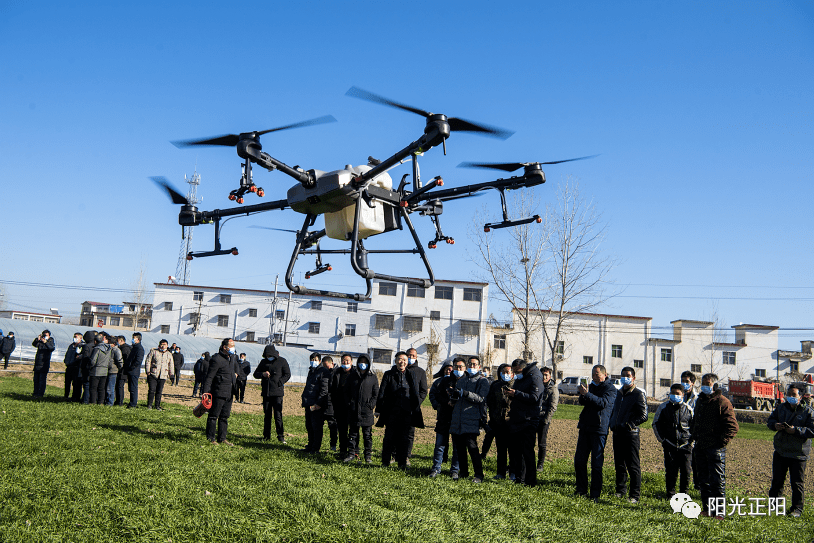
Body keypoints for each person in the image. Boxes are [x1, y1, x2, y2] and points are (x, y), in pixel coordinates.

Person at [691, 373, 739, 518]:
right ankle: (707, 509)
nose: (705, 386)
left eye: (708, 384)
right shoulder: (700, 401)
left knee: (717, 481)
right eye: (703, 383)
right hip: (700, 446)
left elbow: (732, 427)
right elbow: (696, 420)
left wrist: (720, 443)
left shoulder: (722, 402)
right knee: (703, 480)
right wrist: (694, 435)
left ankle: (719, 512)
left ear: (715, 386)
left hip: (715, 448)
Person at [767, 383, 814, 517]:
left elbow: (812, 430)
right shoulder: (781, 408)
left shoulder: (808, 411)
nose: (791, 397)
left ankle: (796, 509)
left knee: (797, 483)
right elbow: (770, 421)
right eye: (789, 395)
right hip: (781, 450)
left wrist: (796, 430)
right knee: (777, 481)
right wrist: (775, 425)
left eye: (794, 395)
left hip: (798, 453)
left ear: (801, 396)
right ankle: (774, 506)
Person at [574, 364, 618, 501]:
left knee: (596, 464)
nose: (594, 376)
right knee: (579, 461)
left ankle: (595, 494)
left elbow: (602, 403)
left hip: (599, 429)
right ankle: (581, 490)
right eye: (593, 374)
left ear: (605, 375)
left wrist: (587, 394)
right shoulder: (591, 387)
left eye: (597, 374)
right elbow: (583, 401)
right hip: (585, 427)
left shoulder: (610, 389)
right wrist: (583, 394)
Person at [376, 351, 424, 471]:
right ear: (395, 360)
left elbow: (415, 393)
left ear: (407, 362)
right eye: (399, 359)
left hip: (407, 412)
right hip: (391, 411)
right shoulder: (388, 374)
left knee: (404, 438)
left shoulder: (411, 374)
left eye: (404, 359)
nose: (402, 361)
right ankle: (385, 461)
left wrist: (415, 407)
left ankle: (402, 462)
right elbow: (382, 392)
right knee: (389, 437)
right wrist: (378, 409)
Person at [609, 366, 648, 503]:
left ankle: (634, 495)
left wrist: (629, 424)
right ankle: (620, 490)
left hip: (630, 435)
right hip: (617, 433)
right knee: (619, 464)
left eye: (628, 375)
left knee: (633, 465)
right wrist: (612, 423)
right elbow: (615, 411)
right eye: (623, 375)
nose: (625, 378)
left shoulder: (638, 394)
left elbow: (644, 415)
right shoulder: (619, 393)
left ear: (633, 377)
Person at [449, 355, 489, 483]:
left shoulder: (482, 381)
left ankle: (479, 475)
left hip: (471, 418)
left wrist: (465, 393)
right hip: (458, 419)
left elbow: (481, 398)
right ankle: (464, 473)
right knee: (459, 448)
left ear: (479, 366)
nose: (472, 366)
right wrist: (453, 396)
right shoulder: (461, 380)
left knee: (472, 448)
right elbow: (457, 398)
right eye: (470, 364)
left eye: (474, 364)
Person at [653, 383, 694, 499]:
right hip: (669, 444)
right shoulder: (663, 407)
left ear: (683, 395)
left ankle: (683, 495)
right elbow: (656, 423)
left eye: (677, 394)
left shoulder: (688, 409)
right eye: (672, 393)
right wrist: (662, 440)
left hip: (686, 446)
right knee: (671, 471)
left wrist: (691, 442)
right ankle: (670, 494)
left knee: (686, 472)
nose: (674, 396)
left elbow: (694, 427)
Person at [507, 358, 544, 487]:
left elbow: (535, 397)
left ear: (522, 367)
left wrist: (516, 393)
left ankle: (530, 480)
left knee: (527, 452)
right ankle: (519, 478)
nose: (516, 373)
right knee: (516, 451)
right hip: (517, 418)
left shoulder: (535, 377)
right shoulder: (522, 378)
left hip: (529, 420)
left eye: (517, 371)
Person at [202, 338, 239, 445]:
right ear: (224, 347)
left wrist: (236, 375)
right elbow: (209, 377)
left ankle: (222, 438)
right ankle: (211, 438)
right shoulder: (216, 359)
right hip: (218, 392)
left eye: (233, 345)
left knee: (224, 417)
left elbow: (236, 370)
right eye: (231, 345)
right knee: (213, 416)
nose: (233, 348)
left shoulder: (232, 358)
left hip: (229, 392)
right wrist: (205, 393)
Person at [344, 354, 379, 464]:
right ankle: (352, 453)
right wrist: (349, 403)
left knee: (367, 435)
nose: (362, 364)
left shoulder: (372, 377)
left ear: (368, 364)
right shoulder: (352, 376)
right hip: (354, 411)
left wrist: (371, 405)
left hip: (366, 412)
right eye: (361, 361)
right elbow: (346, 392)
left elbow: (376, 394)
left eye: (365, 362)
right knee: (353, 434)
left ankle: (367, 456)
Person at [428, 360, 460, 478]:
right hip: (443, 416)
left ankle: (455, 470)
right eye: (447, 368)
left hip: (457, 418)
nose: (450, 371)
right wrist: (440, 404)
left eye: (452, 368)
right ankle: (436, 468)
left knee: (457, 446)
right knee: (440, 445)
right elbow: (435, 395)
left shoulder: (462, 381)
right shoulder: (440, 382)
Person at [254, 345, 291, 443]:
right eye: (266, 355)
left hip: (277, 393)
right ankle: (266, 436)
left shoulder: (282, 361)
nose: (268, 356)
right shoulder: (263, 362)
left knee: (278, 415)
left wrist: (280, 382)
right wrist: (263, 374)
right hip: (266, 392)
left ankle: (280, 435)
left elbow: (287, 374)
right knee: (267, 415)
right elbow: (255, 374)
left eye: (269, 355)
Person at [486, 363, 514, 480]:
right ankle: (500, 473)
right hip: (498, 422)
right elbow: (490, 402)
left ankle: (513, 472)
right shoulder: (495, 385)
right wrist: (492, 417)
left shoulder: (516, 385)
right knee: (500, 449)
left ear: (512, 374)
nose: (505, 374)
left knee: (513, 450)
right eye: (503, 372)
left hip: (512, 423)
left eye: (508, 372)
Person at [405, 347, 428, 464]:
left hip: (412, 409)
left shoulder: (420, 372)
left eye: (413, 356)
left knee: (409, 433)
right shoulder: (400, 369)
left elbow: (424, 391)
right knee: (396, 431)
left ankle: (407, 455)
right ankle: (395, 454)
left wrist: (416, 402)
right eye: (409, 355)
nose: (410, 358)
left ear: (416, 357)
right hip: (398, 407)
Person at [330, 354, 354, 458]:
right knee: (342, 430)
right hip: (340, 406)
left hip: (352, 407)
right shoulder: (337, 372)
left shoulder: (355, 373)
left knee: (353, 431)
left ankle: (353, 451)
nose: (345, 362)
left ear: (352, 362)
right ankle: (343, 451)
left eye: (347, 361)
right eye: (343, 361)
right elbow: (332, 388)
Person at [300, 353, 324, 453]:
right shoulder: (311, 371)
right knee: (309, 426)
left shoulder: (322, 372)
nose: (313, 361)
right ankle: (310, 445)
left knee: (316, 427)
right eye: (312, 359)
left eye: (315, 359)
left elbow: (324, 389)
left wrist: (319, 403)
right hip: (308, 402)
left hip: (316, 404)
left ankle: (315, 448)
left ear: (320, 361)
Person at [537, 366, 559, 470]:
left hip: (543, 420)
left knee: (542, 443)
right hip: (533, 418)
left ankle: (540, 464)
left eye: (546, 375)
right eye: (542, 374)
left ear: (550, 376)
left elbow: (553, 407)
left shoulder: (553, 389)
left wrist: (546, 420)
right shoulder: (537, 386)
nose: (544, 377)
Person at [143, 339, 174, 410]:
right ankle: (149, 405)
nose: (163, 346)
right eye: (162, 344)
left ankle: (157, 405)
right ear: (159, 345)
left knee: (159, 391)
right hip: (153, 374)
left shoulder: (169, 354)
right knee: (152, 390)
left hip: (163, 375)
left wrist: (171, 375)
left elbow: (171, 365)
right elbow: (148, 361)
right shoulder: (154, 352)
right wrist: (148, 371)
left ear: (167, 345)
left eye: (165, 344)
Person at [88, 333, 113, 405]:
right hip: (105, 370)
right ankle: (100, 402)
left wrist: (90, 367)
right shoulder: (108, 349)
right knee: (102, 388)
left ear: (95, 341)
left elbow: (93, 361)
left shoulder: (97, 349)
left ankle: (92, 402)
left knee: (93, 388)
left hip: (96, 370)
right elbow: (110, 360)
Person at [31, 330, 56, 398]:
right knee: (36, 379)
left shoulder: (50, 341)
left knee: (42, 380)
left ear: (49, 336)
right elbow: (34, 344)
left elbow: (51, 348)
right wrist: (37, 339)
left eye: (46, 335)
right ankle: (35, 393)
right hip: (37, 363)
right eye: (43, 335)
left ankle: (40, 394)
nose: (44, 337)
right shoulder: (40, 341)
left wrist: (46, 342)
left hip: (44, 363)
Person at [124, 332, 144, 408]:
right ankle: (132, 402)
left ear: (138, 339)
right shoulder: (134, 347)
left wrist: (131, 367)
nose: (132, 339)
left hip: (134, 371)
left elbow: (138, 361)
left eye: (134, 338)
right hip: (131, 370)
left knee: (133, 388)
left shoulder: (139, 348)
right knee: (131, 388)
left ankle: (133, 404)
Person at [63, 332, 84, 400]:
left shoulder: (82, 346)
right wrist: (66, 361)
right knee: (67, 382)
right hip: (69, 366)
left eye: (76, 337)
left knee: (75, 383)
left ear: (80, 338)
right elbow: (67, 354)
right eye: (74, 336)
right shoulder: (71, 345)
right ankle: (66, 395)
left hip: (76, 367)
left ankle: (75, 397)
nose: (74, 338)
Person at [105, 333, 123, 406]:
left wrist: (119, 368)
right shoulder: (109, 349)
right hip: (108, 370)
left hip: (113, 370)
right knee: (108, 387)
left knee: (110, 388)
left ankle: (110, 403)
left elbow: (119, 361)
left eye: (110, 342)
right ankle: (107, 401)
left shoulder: (116, 350)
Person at [78, 330, 96, 403]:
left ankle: (85, 400)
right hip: (93, 368)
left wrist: (82, 367)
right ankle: (89, 399)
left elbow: (85, 358)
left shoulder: (86, 346)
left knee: (86, 385)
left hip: (86, 368)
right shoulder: (95, 346)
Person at [115, 336, 131, 406]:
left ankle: (120, 402)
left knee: (120, 386)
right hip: (123, 370)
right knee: (118, 386)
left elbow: (126, 360)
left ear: (121, 340)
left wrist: (122, 367)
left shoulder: (125, 349)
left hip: (123, 371)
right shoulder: (126, 348)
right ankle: (118, 400)